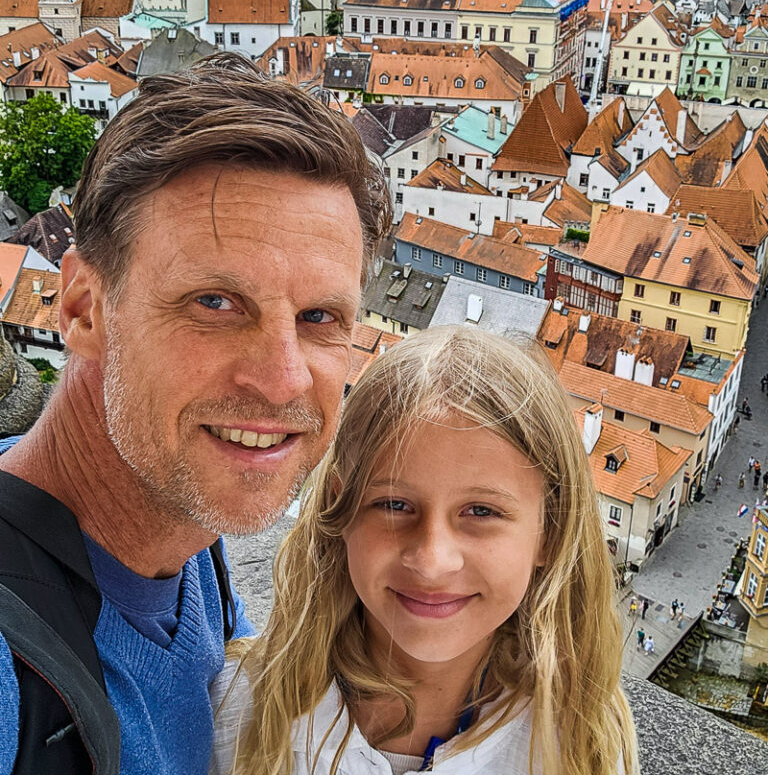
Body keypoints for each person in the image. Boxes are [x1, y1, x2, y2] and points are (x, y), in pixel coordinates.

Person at [0, 53, 391, 774]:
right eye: (215, 303)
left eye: (319, 316)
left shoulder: (187, 539)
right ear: (85, 308)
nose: (282, 380)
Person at [210, 327, 639, 775]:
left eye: (480, 511)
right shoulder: (242, 711)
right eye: (394, 505)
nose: (432, 561)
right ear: (341, 510)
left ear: (548, 533)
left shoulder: (580, 740)